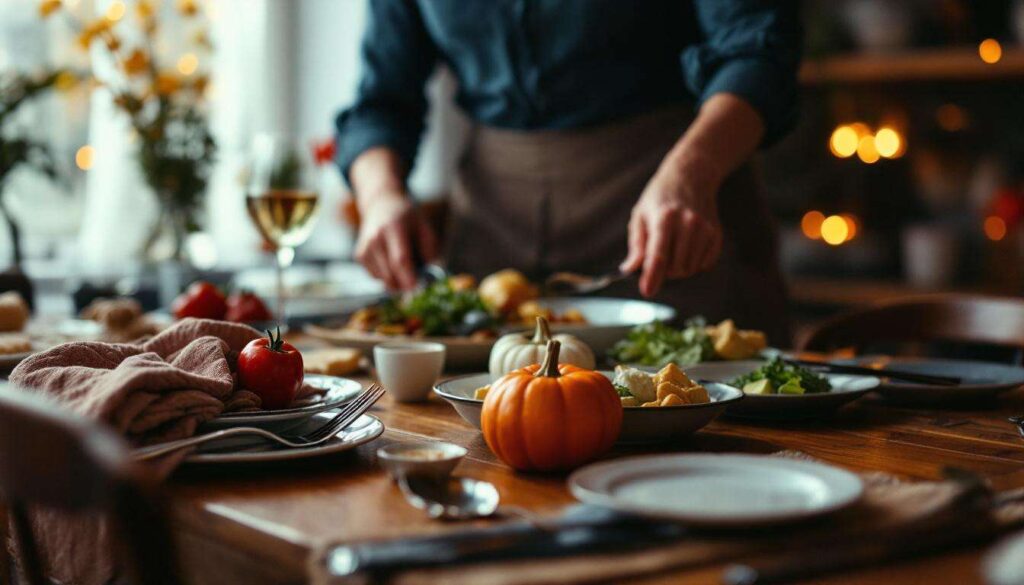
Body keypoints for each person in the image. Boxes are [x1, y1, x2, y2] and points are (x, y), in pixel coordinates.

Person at [336, 0, 801, 344]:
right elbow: (380, 103)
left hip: (669, 207)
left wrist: (691, 171)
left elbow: (757, 50)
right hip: (492, 233)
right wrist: (380, 198)